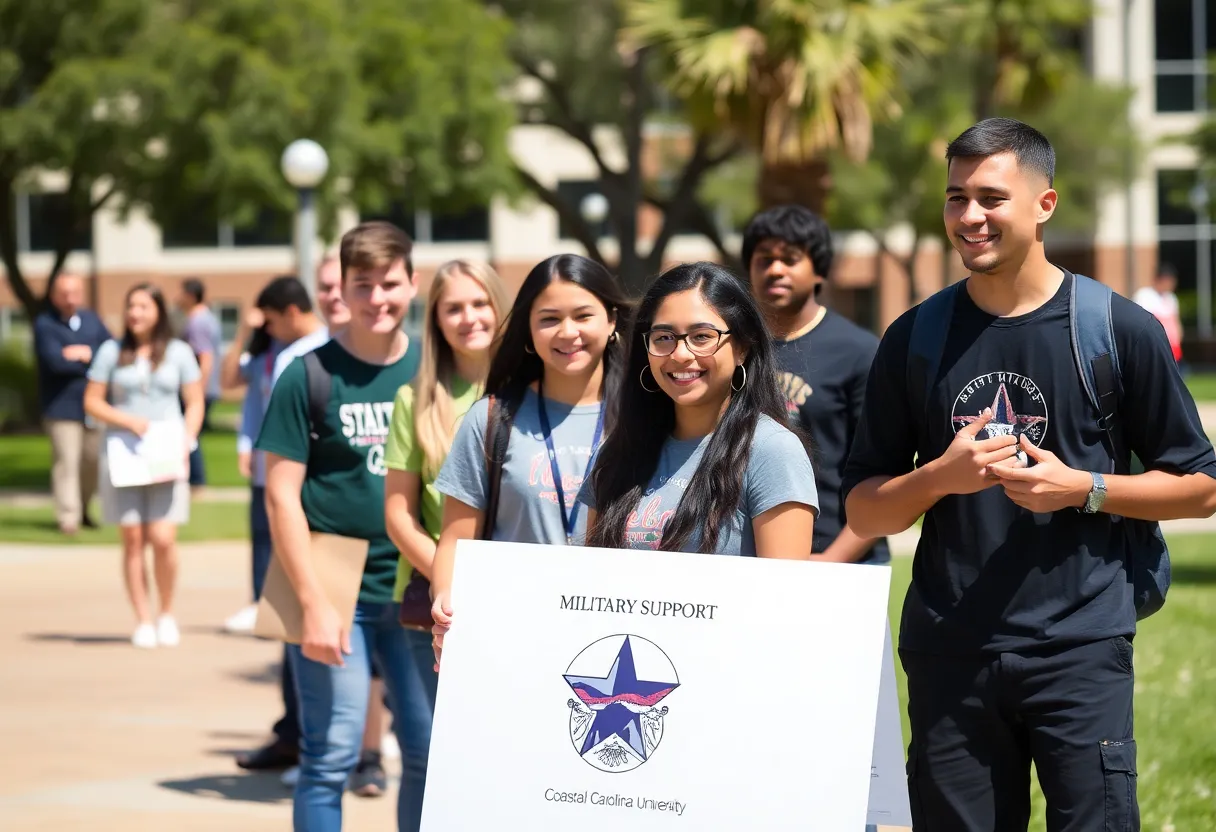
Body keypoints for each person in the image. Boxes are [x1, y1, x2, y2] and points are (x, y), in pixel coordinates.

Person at [842, 117, 1216, 831]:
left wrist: (1087, 488)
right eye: (956, 198)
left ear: (1045, 205)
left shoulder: (1116, 328)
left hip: (1081, 648)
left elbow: (1201, 488)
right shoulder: (915, 338)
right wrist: (939, 479)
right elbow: (866, 512)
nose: (969, 217)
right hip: (949, 650)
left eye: (990, 197)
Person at [256, 221, 431, 831]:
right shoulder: (307, 375)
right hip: (334, 586)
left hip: (419, 586)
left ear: (412, 284)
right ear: (341, 291)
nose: (377, 299)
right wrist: (311, 603)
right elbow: (281, 497)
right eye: (363, 285)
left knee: (427, 755)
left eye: (389, 283)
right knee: (328, 757)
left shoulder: (432, 371)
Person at [429, 254, 630, 665]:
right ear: (528, 331)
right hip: (513, 636)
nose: (567, 332)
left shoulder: (647, 420)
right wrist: (446, 607)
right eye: (549, 318)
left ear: (611, 321)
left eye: (582, 315)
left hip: (616, 639)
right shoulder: (490, 418)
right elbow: (455, 540)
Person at [580, 261, 818, 555]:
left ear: (742, 347)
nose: (680, 354)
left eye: (702, 337)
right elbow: (590, 580)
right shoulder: (617, 451)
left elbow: (785, 593)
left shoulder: (773, 451)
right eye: (664, 337)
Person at [742, 205, 887, 564]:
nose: (775, 269)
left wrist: (830, 562)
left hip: (839, 560)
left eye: (790, 259)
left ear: (819, 270)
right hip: (750, 556)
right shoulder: (734, 347)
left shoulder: (858, 351)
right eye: (764, 259)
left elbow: (881, 473)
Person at [83, 284, 204, 648]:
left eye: (143, 306)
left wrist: (188, 437)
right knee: (133, 538)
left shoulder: (180, 352)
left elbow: (194, 400)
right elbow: (92, 401)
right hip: (124, 453)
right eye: (130, 305)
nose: (135, 313)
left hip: (166, 452)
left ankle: (167, 612)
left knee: (163, 539)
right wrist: (126, 420)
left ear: (159, 311)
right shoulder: (110, 351)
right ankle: (143, 618)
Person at [33, 273, 111, 535]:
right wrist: (89, 356)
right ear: (54, 295)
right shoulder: (45, 324)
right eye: (63, 293)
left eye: (74, 292)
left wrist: (79, 354)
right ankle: (68, 517)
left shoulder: (92, 320)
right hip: (61, 407)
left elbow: (111, 351)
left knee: (92, 461)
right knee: (67, 461)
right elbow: (54, 362)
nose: (69, 298)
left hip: (94, 405)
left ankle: (85, 509)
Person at [177, 277, 222, 488]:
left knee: (189, 433)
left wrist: (198, 390)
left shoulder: (197, 321)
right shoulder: (207, 318)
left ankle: (195, 481)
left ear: (190, 296)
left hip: (198, 388)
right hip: (203, 387)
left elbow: (205, 357)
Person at [1133, 263, 1184, 365]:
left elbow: (1176, 322)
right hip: (1154, 347)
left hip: (1172, 347)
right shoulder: (1144, 296)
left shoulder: (1171, 298)